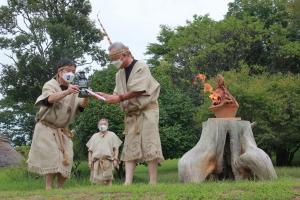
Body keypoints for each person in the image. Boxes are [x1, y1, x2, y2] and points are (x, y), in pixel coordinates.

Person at [96, 42, 164, 185]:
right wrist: (105, 96)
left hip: (147, 111)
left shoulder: (141, 67)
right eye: (111, 59)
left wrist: (119, 98)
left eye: (115, 58)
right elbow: (117, 94)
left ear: (124, 55)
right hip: (131, 114)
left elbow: (139, 90)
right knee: (130, 145)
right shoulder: (119, 74)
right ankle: (128, 182)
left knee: (150, 143)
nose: (113, 62)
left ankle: (153, 182)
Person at [27, 58, 88, 190]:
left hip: (63, 130)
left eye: (73, 71)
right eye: (68, 70)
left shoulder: (76, 88)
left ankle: (59, 189)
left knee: (68, 158)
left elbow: (81, 107)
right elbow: (49, 99)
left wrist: (86, 95)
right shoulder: (50, 84)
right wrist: (67, 91)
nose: (71, 73)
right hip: (46, 126)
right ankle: (48, 188)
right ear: (60, 72)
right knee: (52, 157)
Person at [86, 118, 122, 185]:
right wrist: (89, 161)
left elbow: (116, 149)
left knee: (108, 179)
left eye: (105, 124)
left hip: (108, 161)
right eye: (101, 124)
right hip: (96, 161)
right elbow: (90, 151)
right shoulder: (94, 136)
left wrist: (115, 159)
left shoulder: (112, 135)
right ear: (98, 126)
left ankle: (110, 193)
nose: (103, 125)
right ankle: (96, 194)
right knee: (95, 181)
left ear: (108, 125)